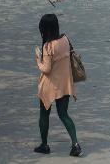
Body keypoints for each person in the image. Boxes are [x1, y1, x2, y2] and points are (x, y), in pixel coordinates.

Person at [34, 14, 81, 157]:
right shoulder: (65, 39)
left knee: (44, 114)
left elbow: (46, 69)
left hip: (49, 85)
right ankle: (75, 144)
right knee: (64, 114)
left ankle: (44, 145)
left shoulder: (48, 46)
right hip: (64, 84)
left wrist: (37, 59)